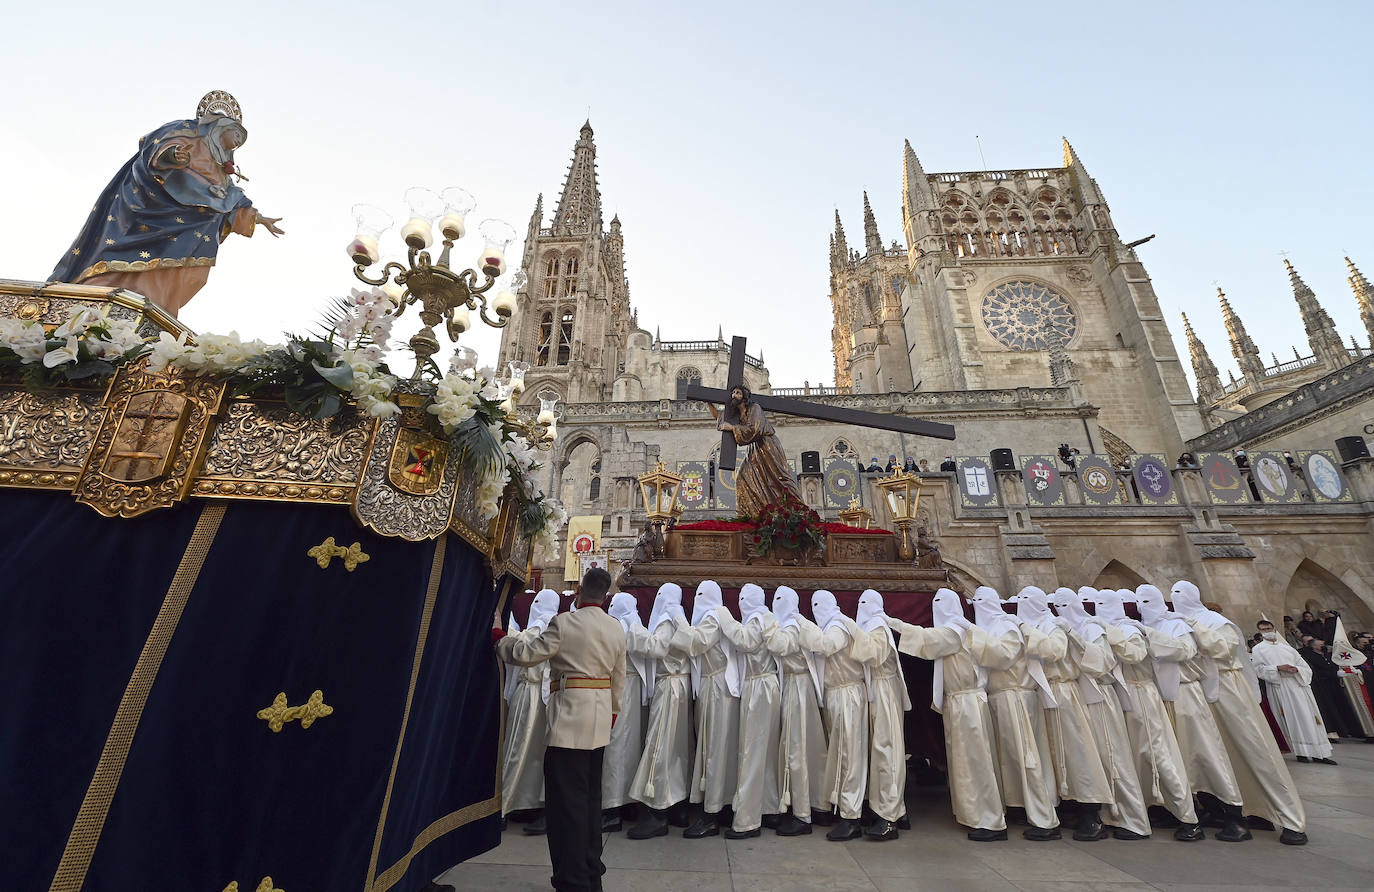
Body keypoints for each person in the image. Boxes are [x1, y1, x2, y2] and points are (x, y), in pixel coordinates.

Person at [50, 91, 284, 317]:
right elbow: (156, 149)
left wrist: (259, 218)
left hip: (190, 228)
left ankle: (156, 309)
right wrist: (171, 156)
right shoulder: (187, 132)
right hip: (154, 210)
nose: (237, 142)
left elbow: (231, 200)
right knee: (123, 261)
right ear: (221, 126)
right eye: (237, 135)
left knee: (170, 272)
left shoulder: (221, 170)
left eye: (240, 142)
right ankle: (98, 302)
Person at [494, 568, 627, 892]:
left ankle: (571, 879)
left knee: (565, 804)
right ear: (606, 596)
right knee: (590, 800)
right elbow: (617, 680)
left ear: (579, 591)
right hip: (598, 723)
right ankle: (590, 870)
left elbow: (527, 654)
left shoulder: (564, 623)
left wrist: (499, 639)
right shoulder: (615, 628)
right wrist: (611, 715)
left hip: (568, 722)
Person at [1171, 581, 1308, 845]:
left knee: (1254, 750)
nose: (1176, 599)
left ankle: (1292, 820)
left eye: (1180, 593)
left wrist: (1195, 627)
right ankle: (1245, 809)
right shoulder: (1180, 621)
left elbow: (1224, 649)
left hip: (1229, 690)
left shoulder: (1214, 620)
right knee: (1219, 754)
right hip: (1201, 692)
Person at [888, 588, 1008, 841]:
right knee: (965, 762)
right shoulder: (961, 628)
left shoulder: (954, 631)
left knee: (975, 762)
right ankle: (975, 816)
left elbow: (926, 640)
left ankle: (989, 821)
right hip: (959, 703)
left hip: (966, 702)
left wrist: (893, 622)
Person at [1135, 584, 1250, 842]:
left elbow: (1182, 650)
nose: (1143, 606)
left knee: (1206, 754)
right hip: (1164, 699)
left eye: (1147, 600)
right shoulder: (1148, 626)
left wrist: (1148, 634)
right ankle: (1201, 809)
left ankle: (1234, 814)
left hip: (1187, 696)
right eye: (1138, 601)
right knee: (1180, 759)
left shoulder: (1177, 624)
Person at [1094, 589, 1203, 839]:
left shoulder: (1132, 629)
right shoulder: (1111, 627)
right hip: (1122, 697)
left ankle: (1189, 818)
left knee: (1158, 753)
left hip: (1142, 695)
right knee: (1135, 756)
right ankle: (1147, 809)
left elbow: (1134, 655)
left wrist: (1110, 633)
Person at [1054, 588, 1153, 840]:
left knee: (1113, 756)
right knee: (1092, 758)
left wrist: (1073, 636)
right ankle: (1096, 813)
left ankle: (1132, 819)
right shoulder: (1068, 627)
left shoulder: (1092, 628)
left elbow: (1101, 663)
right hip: (1082, 698)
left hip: (1101, 697)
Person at [1017, 586, 1113, 840]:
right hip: (1042, 694)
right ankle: (1066, 807)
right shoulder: (1034, 624)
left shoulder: (1051, 624)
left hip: (1064, 694)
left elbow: (1055, 651)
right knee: (1050, 754)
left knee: (1078, 752)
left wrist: (1026, 631)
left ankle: (1091, 814)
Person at [969, 586, 1061, 840]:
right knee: (1009, 758)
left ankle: (1045, 820)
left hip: (1015, 696)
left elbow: (1002, 657)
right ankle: (1021, 807)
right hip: (1001, 697)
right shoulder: (994, 627)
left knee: (1026, 758)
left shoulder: (1006, 626)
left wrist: (971, 632)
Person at [798, 590, 874, 840]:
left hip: (847, 694)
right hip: (836, 696)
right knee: (841, 753)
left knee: (849, 754)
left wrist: (799, 622)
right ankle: (845, 808)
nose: (816, 608)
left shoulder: (839, 625)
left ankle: (851, 817)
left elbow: (826, 646)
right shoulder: (833, 624)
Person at [714, 583, 783, 838]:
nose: (740, 602)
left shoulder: (759, 618)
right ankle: (768, 808)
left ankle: (747, 820)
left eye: (744, 598)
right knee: (761, 752)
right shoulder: (764, 616)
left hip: (760, 686)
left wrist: (722, 613)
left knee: (752, 752)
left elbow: (745, 641)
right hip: (761, 685)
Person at [627, 583, 693, 839]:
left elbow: (657, 648)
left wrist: (633, 628)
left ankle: (656, 813)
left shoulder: (666, 620)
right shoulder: (677, 619)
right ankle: (677, 806)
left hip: (670, 686)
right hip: (679, 686)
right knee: (677, 749)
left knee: (661, 747)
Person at [681, 580, 742, 838]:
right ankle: (721, 805)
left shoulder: (712, 617)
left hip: (717, 687)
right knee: (716, 748)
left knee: (715, 750)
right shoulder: (716, 615)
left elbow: (696, 643)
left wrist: (677, 620)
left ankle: (712, 813)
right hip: (714, 686)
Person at [765, 586, 828, 836]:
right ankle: (817, 805)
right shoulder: (795, 621)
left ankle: (802, 814)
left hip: (797, 688)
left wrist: (766, 622)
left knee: (797, 749)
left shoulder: (792, 624)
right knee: (807, 748)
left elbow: (781, 646)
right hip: (797, 687)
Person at [852, 589, 912, 840]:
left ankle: (890, 817)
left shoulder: (876, 625)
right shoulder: (872, 625)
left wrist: (847, 628)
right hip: (876, 690)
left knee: (887, 750)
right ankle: (892, 809)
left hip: (884, 690)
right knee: (878, 752)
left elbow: (872, 655)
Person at [501, 589, 560, 831]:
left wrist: (503, 630)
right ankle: (528, 802)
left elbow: (524, 648)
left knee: (518, 747)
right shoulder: (554, 625)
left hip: (532, 694)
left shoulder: (542, 624)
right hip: (545, 697)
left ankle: (504, 805)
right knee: (535, 753)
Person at [705, 386, 802, 516]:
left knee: (778, 478)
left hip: (767, 445)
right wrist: (708, 401)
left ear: (744, 396)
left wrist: (733, 428)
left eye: (738, 393)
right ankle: (752, 515)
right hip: (755, 448)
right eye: (733, 393)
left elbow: (755, 429)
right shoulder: (738, 415)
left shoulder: (754, 408)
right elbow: (720, 417)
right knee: (743, 477)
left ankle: (800, 510)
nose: (734, 395)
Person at [1250, 620, 1335, 764]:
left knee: (1310, 718)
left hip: (1298, 685)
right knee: (1292, 719)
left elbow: (1304, 666)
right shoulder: (1258, 649)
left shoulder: (1287, 648)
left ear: (1274, 628)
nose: (1268, 631)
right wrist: (1277, 668)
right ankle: (1301, 752)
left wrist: (1297, 669)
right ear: (1260, 632)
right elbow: (1258, 669)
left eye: (1269, 628)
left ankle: (1319, 753)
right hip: (1281, 687)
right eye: (1264, 629)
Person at [602, 592, 652, 831]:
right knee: (629, 747)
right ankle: (628, 802)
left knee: (616, 748)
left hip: (618, 690)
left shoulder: (618, 627)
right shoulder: (634, 625)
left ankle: (613, 806)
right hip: (633, 689)